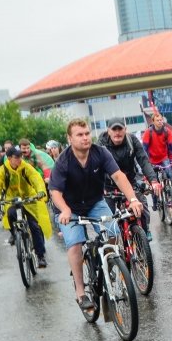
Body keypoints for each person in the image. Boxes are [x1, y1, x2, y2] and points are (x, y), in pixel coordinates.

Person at [49, 118, 144, 312]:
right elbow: (55, 192)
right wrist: (65, 210)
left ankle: (110, 266)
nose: (85, 138)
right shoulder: (63, 161)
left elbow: (118, 176)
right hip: (70, 208)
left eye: (87, 134)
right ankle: (80, 292)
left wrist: (133, 199)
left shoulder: (100, 153)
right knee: (75, 243)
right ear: (70, 138)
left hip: (95, 202)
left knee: (113, 231)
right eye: (80, 135)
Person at [98, 116, 162, 241]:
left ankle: (144, 229)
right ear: (108, 131)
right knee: (108, 218)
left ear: (125, 129)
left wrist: (153, 181)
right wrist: (99, 188)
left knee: (141, 204)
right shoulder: (101, 143)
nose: (117, 132)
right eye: (114, 129)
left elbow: (143, 160)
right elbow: (96, 167)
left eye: (120, 129)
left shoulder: (132, 140)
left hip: (130, 181)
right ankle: (112, 248)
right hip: (109, 185)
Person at [0, 147, 52, 268]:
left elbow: (36, 178)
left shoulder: (25, 167)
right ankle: (15, 234)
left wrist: (40, 191)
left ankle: (40, 256)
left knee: (34, 226)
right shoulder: (3, 170)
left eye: (20, 157)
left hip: (29, 199)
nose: (19, 159)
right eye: (16, 157)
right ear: (9, 158)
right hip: (12, 199)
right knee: (11, 214)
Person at [142, 113, 172, 211]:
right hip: (152, 161)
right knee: (154, 182)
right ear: (153, 121)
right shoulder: (148, 132)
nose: (160, 122)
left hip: (164, 158)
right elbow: (144, 148)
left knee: (169, 174)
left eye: (161, 120)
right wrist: (146, 161)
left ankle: (171, 194)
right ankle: (155, 202)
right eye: (158, 120)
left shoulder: (167, 131)